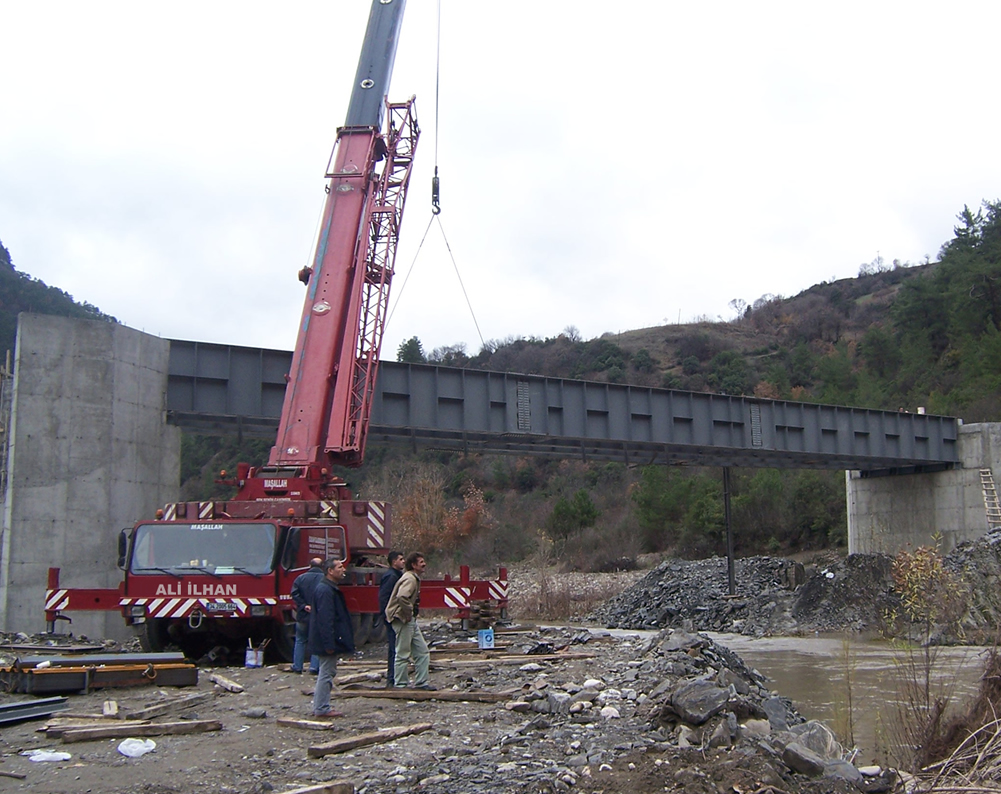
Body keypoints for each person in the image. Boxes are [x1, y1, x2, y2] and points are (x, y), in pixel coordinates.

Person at [307, 557, 355, 718]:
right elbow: (325, 619)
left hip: (325, 639)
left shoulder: (328, 588)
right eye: (340, 567)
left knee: (328, 670)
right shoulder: (325, 590)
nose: (344, 570)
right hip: (325, 640)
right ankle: (321, 708)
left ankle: (321, 706)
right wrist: (329, 643)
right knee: (326, 672)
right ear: (330, 571)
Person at [384, 551, 434, 690]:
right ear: (413, 565)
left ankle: (421, 683)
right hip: (403, 619)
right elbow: (402, 597)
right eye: (421, 562)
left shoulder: (412, 578)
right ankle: (400, 684)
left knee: (422, 651)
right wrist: (408, 613)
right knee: (402, 652)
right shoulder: (410, 579)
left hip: (408, 620)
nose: (424, 564)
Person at [289, 557, 324, 674]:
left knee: (300, 640)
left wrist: (304, 605)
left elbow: (294, 593)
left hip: (303, 615)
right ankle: (314, 667)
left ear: (310, 566)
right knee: (316, 641)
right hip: (318, 615)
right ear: (322, 567)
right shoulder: (325, 579)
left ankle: (297, 666)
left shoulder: (300, 578)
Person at [378, 550, 405, 687]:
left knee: (397, 647)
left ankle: (396, 677)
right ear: (394, 562)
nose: (403, 561)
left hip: (393, 616)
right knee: (394, 648)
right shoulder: (391, 577)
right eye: (400, 559)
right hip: (392, 617)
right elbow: (385, 597)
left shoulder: (396, 575)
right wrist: (388, 615)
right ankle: (392, 679)